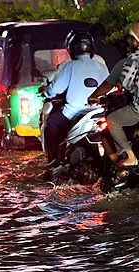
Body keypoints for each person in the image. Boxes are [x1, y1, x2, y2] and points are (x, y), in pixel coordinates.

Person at [42, 30, 108, 171]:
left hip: (74, 112)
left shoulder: (70, 66)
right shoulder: (101, 66)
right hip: (99, 112)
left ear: (72, 49)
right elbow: (111, 89)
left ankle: (53, 161)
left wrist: (46, 91)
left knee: (52, 123)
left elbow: (54, 90)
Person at [88, 24, 139, 176]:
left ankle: (129, 157)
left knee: (112, 121)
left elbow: (110, 84)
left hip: (138, 109)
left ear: (136, 41)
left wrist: (93, 96)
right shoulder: (114, 54)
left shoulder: (129, 61)